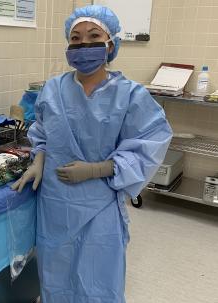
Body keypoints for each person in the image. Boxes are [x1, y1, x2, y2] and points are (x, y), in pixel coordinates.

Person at [11, 5, 173, 303]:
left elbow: (151, 142)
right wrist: (38, 160)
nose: (84, 44)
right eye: (76, 38)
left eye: (94, 36)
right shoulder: (53, 90)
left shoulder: (130, 95)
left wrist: (98, 169)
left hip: (100, 202)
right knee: (56, 274)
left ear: (110, 43)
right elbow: (43, 134)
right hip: (56, 202)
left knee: (99, 277)